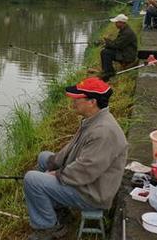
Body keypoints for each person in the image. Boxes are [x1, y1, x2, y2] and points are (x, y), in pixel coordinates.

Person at [24, 77, 128, 240]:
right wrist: (54, 163)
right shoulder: (94, 119)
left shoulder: (103, 132)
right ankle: (58, 209)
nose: (72, 101)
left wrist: (58, 174)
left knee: (32, 179)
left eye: (77, 98)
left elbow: (86, 170)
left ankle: (48, 228)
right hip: (87, 180)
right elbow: (72, 148)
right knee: (44, 157)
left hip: (93, 193)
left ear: (92, 102)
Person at [99, 14, 137, 80]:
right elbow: (117, 43)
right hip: (124, 52)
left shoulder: (127, 33)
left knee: (105, 52)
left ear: (121, 23)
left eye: (116, 22)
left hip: (128, 56)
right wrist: (107, 41)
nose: (115, 24)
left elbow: (117, 45)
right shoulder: (124, 30)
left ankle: (109, 73)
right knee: (106, 50)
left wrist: (106, 43)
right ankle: (107, 70)